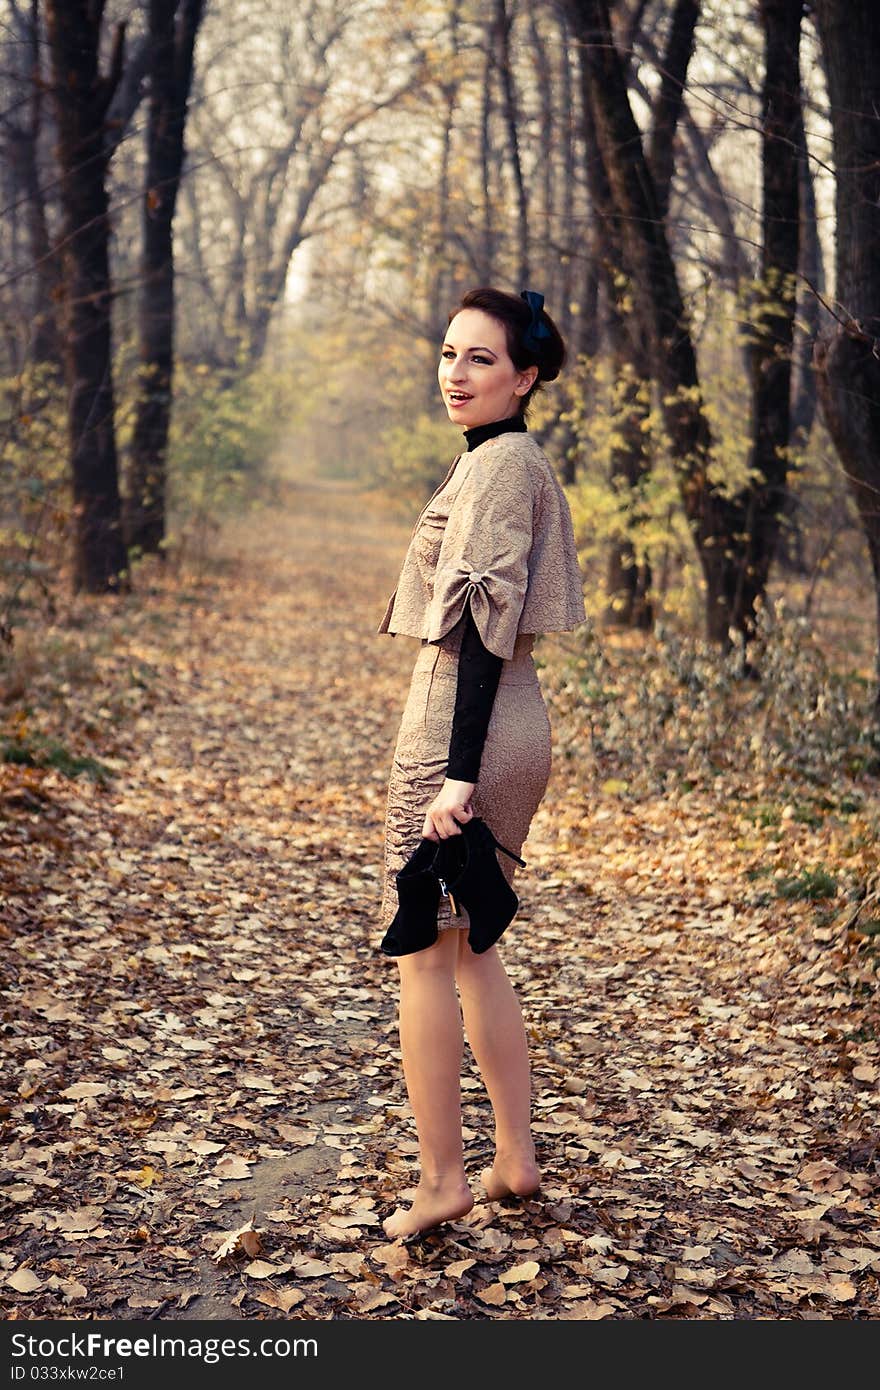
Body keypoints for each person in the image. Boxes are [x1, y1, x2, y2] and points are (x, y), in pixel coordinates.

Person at [376, 287, 586, 1239]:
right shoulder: (506, 462)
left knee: (422, 952)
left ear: (526, 376)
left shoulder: (500, 468)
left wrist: (456, 774)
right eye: (449, 353)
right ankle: (513, 1158)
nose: (455, 374)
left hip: (464, 724)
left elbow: (480, 628)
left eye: (481, 360)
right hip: (513, 722)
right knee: (474, 949)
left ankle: (439, 1182)